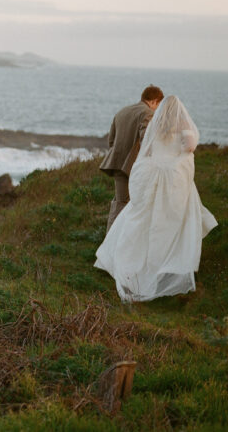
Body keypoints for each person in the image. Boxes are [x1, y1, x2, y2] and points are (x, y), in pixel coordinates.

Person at [94, 95, 218, 302]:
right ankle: (165, 267)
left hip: (151, 176)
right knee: (168, 223)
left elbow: (147, 150)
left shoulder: (156, 124)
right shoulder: (181, 124)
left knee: (140, 218)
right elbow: (190, 146)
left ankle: (131, 265)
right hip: (171, 179)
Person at [99, 86, 164, 233]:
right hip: (134, 168)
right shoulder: (147, 113)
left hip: (117, 164)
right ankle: (113, 242)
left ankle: (118, 239)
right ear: (154, 101)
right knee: (124, 204)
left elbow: (111, 141)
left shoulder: (122, 111)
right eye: (158, 106)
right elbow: (147, 142)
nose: (157, 110)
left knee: (120, 202)